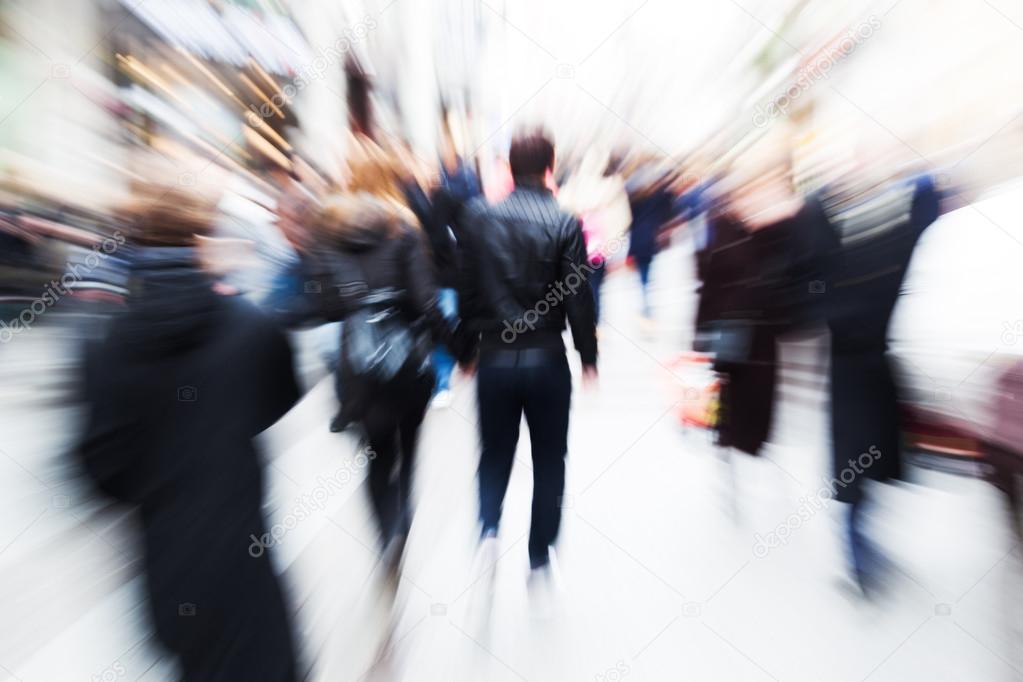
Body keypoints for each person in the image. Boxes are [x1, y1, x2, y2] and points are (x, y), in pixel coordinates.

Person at [76, 186, 301, 681]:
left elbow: (99, 470)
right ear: (202, 239)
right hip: (245, 557)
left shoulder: (109, 343)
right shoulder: (249, 326)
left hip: (168, 565)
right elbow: (281, 396)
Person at [458, 130, 598, 580]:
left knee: (494, 452)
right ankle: (539, 556)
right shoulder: (564, 222)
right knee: (550, 458)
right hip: (546, 360)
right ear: (549, 167)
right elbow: (578, 298)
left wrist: (464, 352)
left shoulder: (479, 220)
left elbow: (466, 290)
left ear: (509, 168)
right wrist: (589, 356)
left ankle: (489, 531)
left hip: (495, 358)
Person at [306, 192, 462, 579]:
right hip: (409, 366)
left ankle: (385, 533)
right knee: (409, 446)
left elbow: (325, 308)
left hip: (359, 373)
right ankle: (403, 520)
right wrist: (454, 345)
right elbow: (427, 302)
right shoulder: (404, 238)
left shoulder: (331, 246)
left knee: (376, 454)